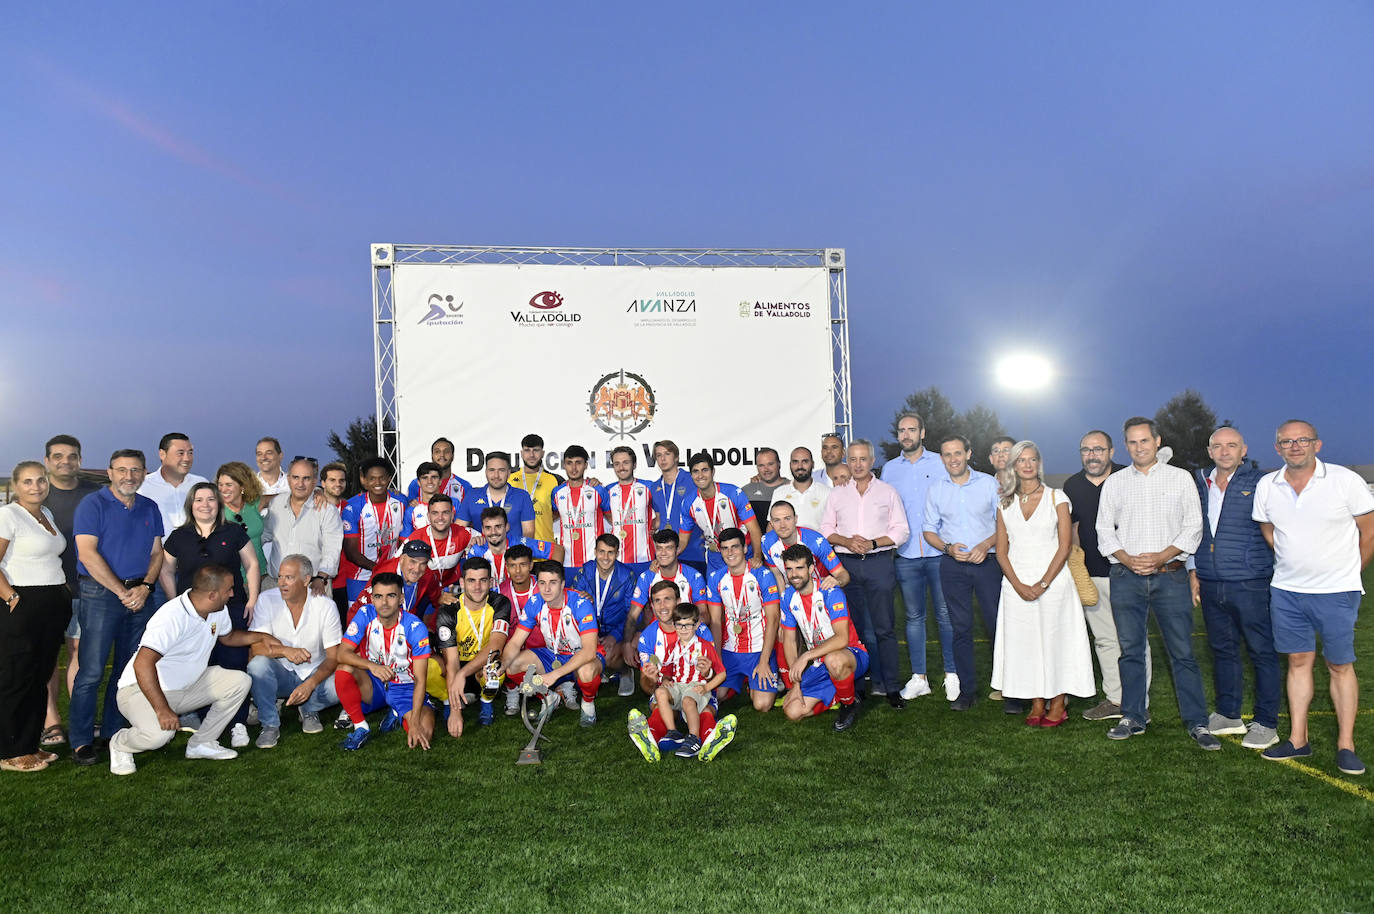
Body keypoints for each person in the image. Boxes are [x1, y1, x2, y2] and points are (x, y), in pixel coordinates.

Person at [1254, 420, 1374, 775]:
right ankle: (1298, 740)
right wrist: (1291, 558)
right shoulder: (1268, 485)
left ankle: (1346, 746)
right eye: (1286, 442)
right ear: (1277, 448)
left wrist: (1352, 571)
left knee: (1339, 665)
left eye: (1302, 440)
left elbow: (1368, 529)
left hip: (1336, 592)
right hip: (1288, 591)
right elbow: (1267, 526)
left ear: (1316, 445)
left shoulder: (1344, 480)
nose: (1294, 446)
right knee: (1297, 663)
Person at [1096, 417, 1215, 749]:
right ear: (1125, 446)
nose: (1139, 448)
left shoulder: (1179, 479)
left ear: (1157, 441)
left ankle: (1197, 722)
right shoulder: (1115, 482)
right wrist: (1127, 558)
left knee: (1183, 653)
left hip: (1171, 576)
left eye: (1144, 441)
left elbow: (1193, 526)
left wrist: (1163, 556)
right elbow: (1104, 531)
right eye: (1132, 443)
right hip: (1126, 577)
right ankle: (1133, 716)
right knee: (1130, 652)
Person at [107, 565, 287, 774]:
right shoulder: (172, 616)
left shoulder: (216, 610)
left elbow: (227, 637)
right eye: (229, 589)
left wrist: (260, 636)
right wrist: (162, 709)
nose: (232, 593)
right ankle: (120, 742)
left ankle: (202, 743)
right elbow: (142, 664)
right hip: (140, 691)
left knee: (240, 681)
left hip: (188, 686)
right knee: (159, 736)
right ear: (212, 595)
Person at [989, 442, 1095, 727]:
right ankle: (1036, 702)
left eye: (1032, 459)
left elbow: (1064, 546)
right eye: (1021, 460)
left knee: (1055, 641)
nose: (1027, 464)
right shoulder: (1004, 503)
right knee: (1025, 645)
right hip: (1015, 585)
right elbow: (1000, 551)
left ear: (1039, 463)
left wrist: (1044, 582)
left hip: (1054, 583)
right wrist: (1018, 584)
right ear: (1013, 465)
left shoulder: (1056, 497)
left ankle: (1058, 703)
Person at [70, 449, 164, 766]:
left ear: (143, 473)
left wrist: (146, 587)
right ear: (110, 473)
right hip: (100, 593)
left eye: (135, 470)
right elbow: (87, 554)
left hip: (140, 594)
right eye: (122, 470)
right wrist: (122, 591)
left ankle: (113, 730)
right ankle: (81, 740)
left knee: (125, 671)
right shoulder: (92, 505)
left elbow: (156, 554)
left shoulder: (149, 506)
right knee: (92, 670)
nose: (129, 476)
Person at [1189, 427, 1280, 750]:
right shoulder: (1199, 483)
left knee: (1261, 651)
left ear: (1244, 450)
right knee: (1222, 650)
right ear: (1210, 451)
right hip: (1212, 582)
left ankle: (1267, 722)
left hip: (1251, 581)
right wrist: (1193, 570)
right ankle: (1229, 714)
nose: (1225, 451)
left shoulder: (1262, 482)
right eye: (1218, 446)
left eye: (1232, 445)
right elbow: (1192, 529)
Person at [159, 482, 260, 747]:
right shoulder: (179, 536)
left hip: (231, 608)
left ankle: (237, 722)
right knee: (199, 667)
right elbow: (166, 570)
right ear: (191, 505)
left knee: (233, 663)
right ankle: (207, 722)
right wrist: (175, 603)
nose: (205, 505)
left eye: (211, 500)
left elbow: (251, 564)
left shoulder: (234, 531)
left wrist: (252, 598)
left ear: (219, 503)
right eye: (199, 500)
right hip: (193, 617)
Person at [922, 435, 1017, 713]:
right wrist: (948, 548)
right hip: (952, 566)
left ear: (968, 454)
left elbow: (1004, 525)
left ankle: (1011, 691)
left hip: (988, 563)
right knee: (959, 629)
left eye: (958, 453)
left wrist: (986, 545)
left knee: (997, 626)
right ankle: (967, 691)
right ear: (942, 458)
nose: (953, 459)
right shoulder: (936, 489)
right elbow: (929, 530)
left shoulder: (989, 484)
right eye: (947, 454)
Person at [822, 439, 908, 707]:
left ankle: (892, 687)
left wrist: (872, 543)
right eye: (853, 459)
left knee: (884, 627)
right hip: (846, 565)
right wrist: (847, 541)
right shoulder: (837, 494)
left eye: (863, 459)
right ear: (847, 461)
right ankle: (857, 687)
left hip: (878, 562)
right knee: (851, 629)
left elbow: (901, 531)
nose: (858, 464)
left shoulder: (887, 492)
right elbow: (825, 529)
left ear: (872, 461)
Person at [1061, 430, 1139, 721]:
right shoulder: (1072, 485)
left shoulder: (1128, 477)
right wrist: (1077, 568)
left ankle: (1137, 702)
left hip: (1128, 572)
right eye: (1086, 450)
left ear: (1111, 451)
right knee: (1105, 640)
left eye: (1098, 449)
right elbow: (1073, 530)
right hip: (1092, 574)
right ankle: (1116, 700)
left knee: (1134, 640)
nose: (1092, 455)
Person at [882, 412, 957, 703]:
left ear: (923, 433)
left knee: (945, 615)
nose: (907, 435)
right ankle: (919, 678)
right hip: (906, 555)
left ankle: (952, 674)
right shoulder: (889, 469)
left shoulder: (942, 462)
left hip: (940, 552)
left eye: (912, 429)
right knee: (913, 618)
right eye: (902, 430)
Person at [0, 461, 69, 772]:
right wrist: (12, 597)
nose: (36, 486)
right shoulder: (8, 515)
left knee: (38, 677)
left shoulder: (46, 514)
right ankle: (10, 751)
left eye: (40, 480)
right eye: (27, 482)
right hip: (23, 603)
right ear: (16, 486)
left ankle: (29, 744)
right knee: (17, 677)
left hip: (52, 602)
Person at [40, 435, 100, 749]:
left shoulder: (94, 494)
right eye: (59, 456)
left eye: (72, 456)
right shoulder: (35, 494)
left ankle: (81, 717)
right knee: (48, 655)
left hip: (84, 587)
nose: (66, 461)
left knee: (80, 654)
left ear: (79, 459)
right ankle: (52, 722)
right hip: (42, 590)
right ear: (48, 460)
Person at [624, 582, 727, 761]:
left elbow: (716, 671)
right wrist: (656, 679)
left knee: (702, 708)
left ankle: (710, 736)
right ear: (652, 605)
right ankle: (653, 738)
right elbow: (648, 683)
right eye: (657, 601)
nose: (662, 606)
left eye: (667, 599)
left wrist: (707, 674)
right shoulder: (648, 636)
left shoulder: (701, 632)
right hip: (675, 686)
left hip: (697, 687)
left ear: (678, 601)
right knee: (660, 704)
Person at [245, 555, 340, 747]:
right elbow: (256, 646)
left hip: (315, 674)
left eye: (289, 577)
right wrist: (285, 651)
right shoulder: (266, 600)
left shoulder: (326, 606)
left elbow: (333, 657)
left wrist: (311, 684)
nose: (281, 583)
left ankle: (308, 708)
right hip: (281, 675)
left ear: (306, 580)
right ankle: (270, 724)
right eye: (280, 577)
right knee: (257, 665)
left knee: (341, 684)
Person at [334, 572, 435, 751]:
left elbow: (420, 679)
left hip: (405, 686)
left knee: (423, 733)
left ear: (401, 598)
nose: (384, 602)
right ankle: (361, 727)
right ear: (372, 598)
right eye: (379, 596)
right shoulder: (365, 613)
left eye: (391, 596)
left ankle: (398, 712)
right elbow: (341, 653)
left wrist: (415, 721)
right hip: (374, 682)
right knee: (344, 667)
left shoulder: (415, 627)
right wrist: (372, 666)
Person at [499, 560, 603, 726]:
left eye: (552, 583)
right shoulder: (535, 603)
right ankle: (549, 697)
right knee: (513, 666)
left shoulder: (580, 604)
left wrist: (555, 674)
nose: (546, 589)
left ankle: (588, 703)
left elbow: (589, 651)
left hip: (581, 655)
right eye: (542, 583)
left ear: (562, 584)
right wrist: (501, 666)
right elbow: (515, 642)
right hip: (553, 654)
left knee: (587, 671)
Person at [778, 545, 866, 731]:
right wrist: (795, 683)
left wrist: (806, 656)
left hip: (850, 654)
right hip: (820, 662)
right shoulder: (788, 597)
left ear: (810, 569)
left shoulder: (830, 591)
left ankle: (848, 705)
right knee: (792, 711)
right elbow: (789, 640)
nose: (794, 574)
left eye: (799, 568)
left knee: (834, 659)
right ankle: (844, 691)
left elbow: (842, 639)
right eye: (789, 569)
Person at [431, 557, 513, 734]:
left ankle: (486, 701)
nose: (477, 587)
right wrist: (455, 711)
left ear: (490, 582)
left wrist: (464, 673)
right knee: (430, 668)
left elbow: (496, 645)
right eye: (471, 581)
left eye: (483, 580)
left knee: (496, 668)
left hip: (480, 667)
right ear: (462, 582)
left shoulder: (500, 603)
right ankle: (449, 701)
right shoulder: (449, 610)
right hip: (456, 668)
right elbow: (451, 661)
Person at [643, 602, 733, 759]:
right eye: (679, 625)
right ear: (674, 625)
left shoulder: (705, 646)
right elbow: (667, 670)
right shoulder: (672, 647)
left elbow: (722, 674)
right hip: (678, 685)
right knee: (660, 693)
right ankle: (673, 733)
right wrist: (664, 679)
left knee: (688, 700)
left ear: (697, 624)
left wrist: (707, 688)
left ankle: (694, 738)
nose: (683, 629)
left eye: (688, 625)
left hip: (697, 686)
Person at [705, 528, 781, 712]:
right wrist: (717, 659)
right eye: (725, 548)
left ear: (745, 548)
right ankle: (739, 682)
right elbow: (715, 621)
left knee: (762, 705)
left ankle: (754, 680)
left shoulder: (762, 575)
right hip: (730, 650)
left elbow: (773, 619)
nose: (730, 553)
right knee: (718, 695)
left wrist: (763, 661)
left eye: (734, 547)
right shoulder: (716, 578)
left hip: (758, 650)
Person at [569, 534, 638, 697]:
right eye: (601, 552)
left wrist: (615, 635)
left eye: (610, 552)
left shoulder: (627, 576)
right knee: (578, 675)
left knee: (611, 655)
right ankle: (599, 672)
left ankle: (625, 671)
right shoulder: (585, 571)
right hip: (589, 629)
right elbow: (571, 604)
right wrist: (587, 604)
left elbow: (633, 614)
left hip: (616, 630)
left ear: (617, 553)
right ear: (595, 552)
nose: (605, 557)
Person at [262, 457, 343, 594]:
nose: (300, 484)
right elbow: (262, 535)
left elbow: (332, 549)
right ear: (288, 479)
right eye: (295, 477)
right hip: (275, 586)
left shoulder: (328, 511)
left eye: (306, 478)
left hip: (314, 586)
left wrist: (321, 578)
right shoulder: (276, 504)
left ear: (314, 481)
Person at [624, 528, 709, 656]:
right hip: (657, 634)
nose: (663, 553)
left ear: (677, 550)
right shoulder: (647, 577)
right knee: (636, 640)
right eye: (659, 548)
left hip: (685, 632)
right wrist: (626, 643)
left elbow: (704, 614)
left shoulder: (693, 576)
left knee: (703, 632)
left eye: (668, 548)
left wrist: (684, 627)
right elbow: (633, 615)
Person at [340, 457, 411, 603]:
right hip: (360, 577)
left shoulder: (401, 501)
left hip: (392, 574)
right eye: (372, 479)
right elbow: (351, 551)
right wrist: (378, 568)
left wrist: (389, 569)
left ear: (389, 478)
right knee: (358, 620)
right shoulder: (352, 507)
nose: (378, 483)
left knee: (389, 617)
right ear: (364, 481)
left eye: (382, 478)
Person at [681, 452, 763, 576]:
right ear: (691, 475)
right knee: (717, 594)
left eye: (704, 470)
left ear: (713, 472)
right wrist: (665, 554)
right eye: (695, 471)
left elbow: (755, 530)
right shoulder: (688, 503)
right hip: (716, 557)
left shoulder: (733, 493)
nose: (700, 475)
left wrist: (757, 556)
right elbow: (682, 539)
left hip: (743, 553)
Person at [598, 445, 657, 577]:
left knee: (646, 596)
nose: (621, 467)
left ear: (634, 464)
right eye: (617, 464)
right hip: (617, 559)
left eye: (626, 463)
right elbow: (606, 515)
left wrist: (653, 525)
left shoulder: (648, 487)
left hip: (645, 557)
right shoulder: (607, 490)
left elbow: (663, 513)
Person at [137, 433, 207, 544]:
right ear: (162, 454)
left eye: (190, 453)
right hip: (156, 556)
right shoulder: (142, 487)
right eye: (180, 453)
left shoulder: (201, 484)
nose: (187, 458)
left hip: (198, 555)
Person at [551, 445, 606, 583]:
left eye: (578, 463)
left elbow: (614, 518)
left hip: (593, 562)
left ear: (586, 465)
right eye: (569, 463)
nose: (574, 468)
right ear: (564, 465)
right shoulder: (557, 492)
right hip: (566, 562)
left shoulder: (597, 490)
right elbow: (552, 516)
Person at [467, 506, 559, 586]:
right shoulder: (476, 551)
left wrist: (551, 580)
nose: (493, 532)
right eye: (488, 528)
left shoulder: (521, 544)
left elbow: (558, 550)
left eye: (498, 526)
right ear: (483, 530)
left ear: (507, 527)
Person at [401, 494, 475, 589]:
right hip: (424, 591)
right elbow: (396, 564)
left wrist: (479, 540)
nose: (440, 517)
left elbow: (491, 539)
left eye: (445, 512)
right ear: (428, 516)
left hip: (452, 590)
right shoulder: (415, 538)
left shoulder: (463, 533)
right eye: (435, 513)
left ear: (452, 515)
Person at [461, 451, 536, 538]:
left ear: (508, 473)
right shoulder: (472, 496)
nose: (496, 475)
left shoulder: (522, 496)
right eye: (492, 470)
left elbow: (528, 533)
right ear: (486, 472)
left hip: (513, 551)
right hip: (481, 551)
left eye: (501, 470)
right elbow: (459, 530)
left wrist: (519, 551)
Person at [216, 461, 268, 584]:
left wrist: (316, 492)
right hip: (233, 581)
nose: (223, 489)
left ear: (242, 486)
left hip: (262, 576)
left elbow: (285, 497)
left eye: (229, 484)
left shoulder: (254, 504)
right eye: (220, 484)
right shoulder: (215, 510)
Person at [509, 434, 564, 543]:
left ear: (543, 453)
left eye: (536, 450)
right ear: (521, 453)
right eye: (527, 450)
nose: (531, 455)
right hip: (515, 549)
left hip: (545, 547)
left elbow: (564, 508)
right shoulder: (508, 478)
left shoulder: (556, 480)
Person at [770, 446, 832, 531]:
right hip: (787, 544)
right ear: (790, 465)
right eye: (795, 462)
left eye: (805, 461)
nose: (800, 466)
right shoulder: (779, 493)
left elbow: (834, 527)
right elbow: (771, 526)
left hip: (817, 543)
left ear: (813, 464)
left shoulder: (827, 492)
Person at [406, 437, 472, 506]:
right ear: (432, 456)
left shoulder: (465, 486)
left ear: (453, 456)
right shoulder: (416, 484)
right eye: (437, 451)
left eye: (446, 452)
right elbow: (408, 507)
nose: (442, 455)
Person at [742, 448, 787, 533]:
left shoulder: (791, 488)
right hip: (755, 545)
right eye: (761, 465)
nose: (766, 469)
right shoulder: (746, 491)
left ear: (779, 464)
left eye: (770, 464)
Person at [405, 462, 445, 532]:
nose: (429, 481)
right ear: (418, 482)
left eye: (434, 477)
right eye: (424, 478)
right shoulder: (411, 509)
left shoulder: (454, 504)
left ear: (440, 481)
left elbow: (460, 532)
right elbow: (406, 539)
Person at [253, 437, 289, 508]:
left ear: (280, 456)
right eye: (259, 454)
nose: (263, 457)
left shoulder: (294, 484)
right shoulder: (246, 486)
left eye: (269, 453)